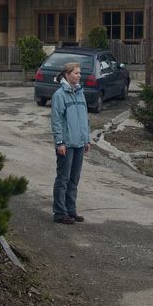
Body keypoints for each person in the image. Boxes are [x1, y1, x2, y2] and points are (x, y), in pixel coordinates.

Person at [50, 61, 91, 225]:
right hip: (66, 144)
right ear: (67, 74)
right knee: (63, 179)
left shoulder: (80, 93)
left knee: (74, 179)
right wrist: (59, 142)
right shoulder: (59, 95)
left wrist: (86, 139)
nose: (79, 75)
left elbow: (85, 118)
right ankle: (60, 212)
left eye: (79, 73)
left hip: (79, 143)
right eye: (76, 73)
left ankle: (71, 210)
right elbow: (56, 121)